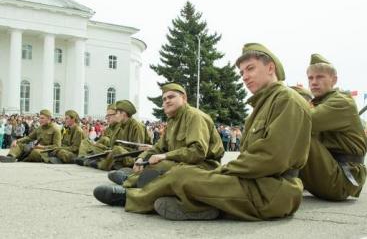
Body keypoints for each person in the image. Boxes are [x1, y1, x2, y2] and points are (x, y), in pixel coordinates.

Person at [93, 43, 311, 221]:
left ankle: (132, 198)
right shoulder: (263, 104)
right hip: (255, 182)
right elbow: (161, 147)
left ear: (270, 68)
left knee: (182, 176)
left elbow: (271, 158)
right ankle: (197, 207)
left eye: (250, 69)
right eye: (242, 72)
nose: (244, 76)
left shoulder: (287, 100)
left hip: (273, 191)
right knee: (182, 175)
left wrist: (222, 172)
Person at [103, 83, 225, 188]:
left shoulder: (194, 116)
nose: (167, 101)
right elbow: (158, 147)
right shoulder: (172, 121)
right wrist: (142, 158)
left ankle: (130, 186)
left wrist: (165, 156)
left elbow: (197, 152)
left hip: (204, 165)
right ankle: (134, 180)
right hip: (183, 162)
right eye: (164, 99)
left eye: (171, 97)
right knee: (153, 163)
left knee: (160, 165)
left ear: (184, 98)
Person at [299, 54, 367, 201]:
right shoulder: (319, 103)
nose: (314, 82)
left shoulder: (341, 102)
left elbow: (302, 121)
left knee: (296, 131)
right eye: (310, 78)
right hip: (331, 170)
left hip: (343, 177)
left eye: (320, 77)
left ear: (334, 80)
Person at [94, 100, 151, 171]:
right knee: (110, 149)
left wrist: (117, 150)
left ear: (123, 114)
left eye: (117, 113)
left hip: (136, 157)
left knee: (117, 149)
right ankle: (114, 165)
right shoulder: (122, 125)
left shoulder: (137, 126)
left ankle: (100, 165)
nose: (116, 116)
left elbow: (138, 150)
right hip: (125, 155)